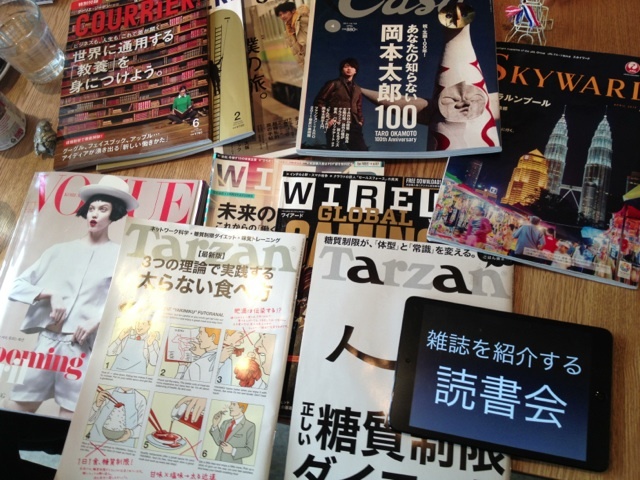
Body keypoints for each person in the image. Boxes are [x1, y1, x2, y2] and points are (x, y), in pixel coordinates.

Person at [5, 176, 138, 419]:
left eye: (103, 209)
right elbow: (14, 286)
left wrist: (97, 320)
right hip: (46, 344)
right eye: (92, 208)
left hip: (82, 349)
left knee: (69, 418)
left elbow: (131, 302)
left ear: (115, 214)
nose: (94, 214)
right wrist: (49, 293)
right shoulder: (59, 251)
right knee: (16, 412)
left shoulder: (120, 257)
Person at [313, 57, 367, 151]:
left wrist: (360, 121)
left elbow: (358, 108)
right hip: (336, 124)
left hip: (353, 126)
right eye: (346, 66)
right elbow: (319, 102)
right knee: (334, 153)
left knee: (362, 152)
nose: (349, 69)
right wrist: (327, 119)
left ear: (355, 71)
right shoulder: (334, 84)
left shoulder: (358, 89)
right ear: (341, 70)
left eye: (352, 67)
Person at [274, 1, 309, 68]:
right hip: (307, 61)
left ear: (293, 11)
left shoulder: (302, 20)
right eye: (280, 15)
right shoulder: (289, 30)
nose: (282, 16)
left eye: (285, 12)